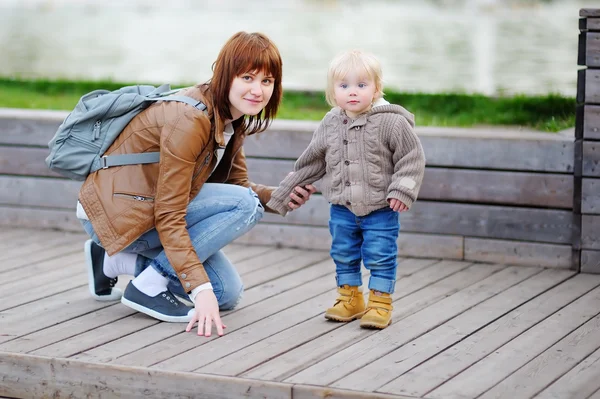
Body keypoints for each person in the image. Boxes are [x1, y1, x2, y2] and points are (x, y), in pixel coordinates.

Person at [78, 31, 316, 337]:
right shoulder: (190, 120)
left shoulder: (231, 117)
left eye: (267, 81)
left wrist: (279, 196)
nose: (258, 90)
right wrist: (198, 289)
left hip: (145, 213)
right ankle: (149, 284)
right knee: (244, 208)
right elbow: (171, 212)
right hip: (114, 218)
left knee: (226, 293)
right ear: (226, 74)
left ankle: (112, 262)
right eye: (248, 78)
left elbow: (237, 185)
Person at [266, 50, 426, 329]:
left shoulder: (392, 122)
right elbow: (313, 161)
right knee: (343, 252)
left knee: (380, 253)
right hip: (341, 206)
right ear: (333, 92)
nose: (353, 92)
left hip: (380, 208)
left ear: (377, 89)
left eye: (361, 85)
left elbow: (411, 158)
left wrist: (402, 189)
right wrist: (284, 193)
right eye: (344, 86)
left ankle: (380, 302)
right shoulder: (331, 123)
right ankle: (350, 297)